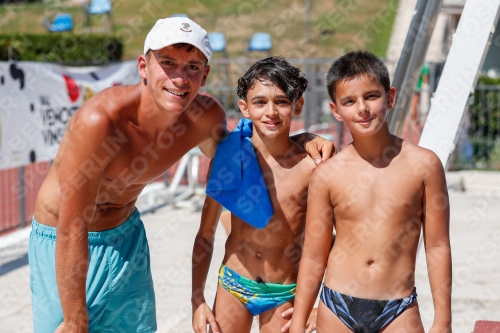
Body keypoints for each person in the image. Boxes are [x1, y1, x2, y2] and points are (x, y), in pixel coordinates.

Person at [29, 18, 333, 333]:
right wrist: (76, 319)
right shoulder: (100, 122)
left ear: (205, 75)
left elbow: (247, 153)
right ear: (143, 67)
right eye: (168, 63)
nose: (180, 78)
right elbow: (72, 225)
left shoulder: (204, 117)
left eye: (192, 67)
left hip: (126, 236)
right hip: (63, 242)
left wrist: (303, 140)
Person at [290, 51, 452, 333]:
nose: (362, 108)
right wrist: (298, 322)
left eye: (371, 96)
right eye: (350, 101)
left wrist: (443, 320)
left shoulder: (425, 165)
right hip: (337, 306)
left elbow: (437, 246)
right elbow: (315, 256)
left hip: (398, 308)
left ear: (390, 97)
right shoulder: (328, 174)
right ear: (336, 110)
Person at [191, 57, 318, 333]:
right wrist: (197, 299)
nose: (271, 111)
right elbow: (205, 234)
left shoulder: (312, 168)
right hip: (234, 284)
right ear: (244, 108)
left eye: (282, 101)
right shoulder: (229, 159)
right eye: (260, 102)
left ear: (298, 105)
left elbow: (332, 243)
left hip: (284, 291)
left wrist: (321, 306)